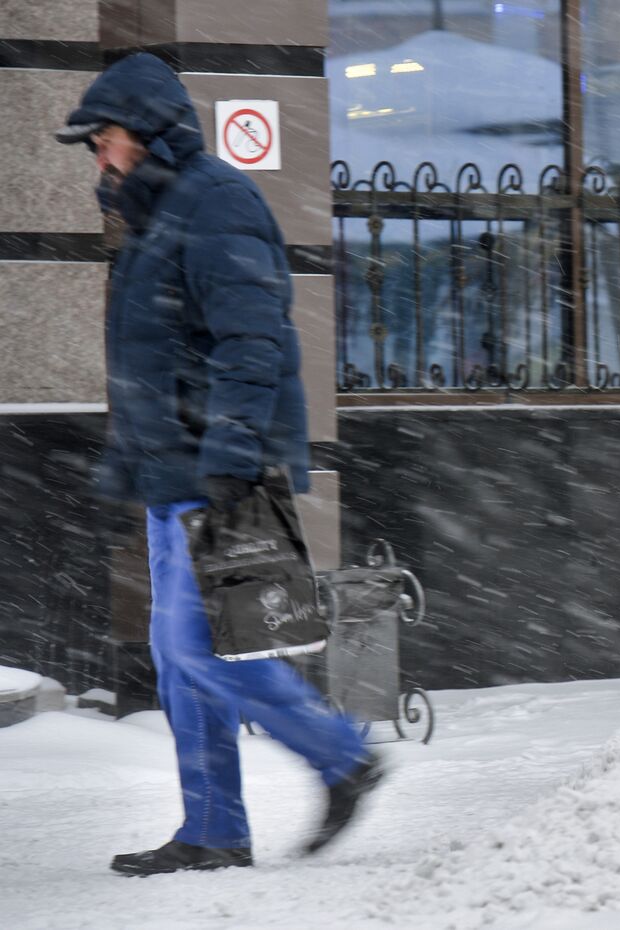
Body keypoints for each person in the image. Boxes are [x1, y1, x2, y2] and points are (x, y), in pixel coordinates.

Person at [56, 53, 382, 876]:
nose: (99, 156)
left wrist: (231, 454)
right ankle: (212, 830)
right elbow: (163, 352)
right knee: (179, 660)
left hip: (215, 471)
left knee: (198, 649)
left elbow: (252, 341)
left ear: (148, 132)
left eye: (107, 139)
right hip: (174, 472)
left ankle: (343, 758)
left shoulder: (216, 201)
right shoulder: (159, 215)